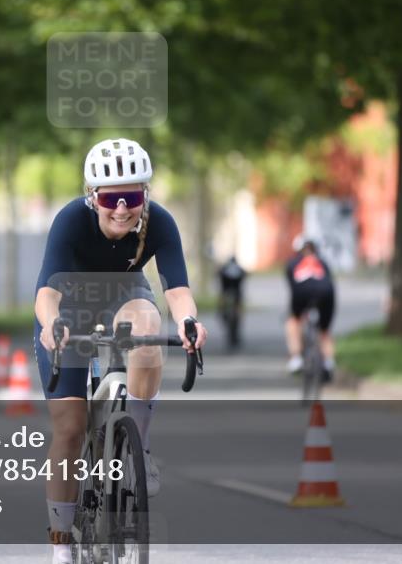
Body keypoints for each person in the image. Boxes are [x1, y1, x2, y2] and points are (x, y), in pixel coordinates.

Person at [33, 137, 207, 563]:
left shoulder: (159, 222)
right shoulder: (71, 220)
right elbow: (45, 293)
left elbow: (178, 289)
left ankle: (139, 450)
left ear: (145, 194)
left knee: (149, 328)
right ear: (93, 197)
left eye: (133, 195)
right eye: (112, 197)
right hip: (70, 305)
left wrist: (189, 322)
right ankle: (60, 542)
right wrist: (51, 326)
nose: (123, 208)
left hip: (126, 296)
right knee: (71, 430)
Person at [284, 235, 337, 379]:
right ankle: (328, 361)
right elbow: (330, 281)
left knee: (293, 322)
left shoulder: (293, 263)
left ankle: (296, 359)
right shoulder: (322, 263)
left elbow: (292, 286)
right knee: (324, 330)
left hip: (301, 292)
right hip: (326, 293)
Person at [218, 256, 246, 350]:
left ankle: (224, 315)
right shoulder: (239, 269)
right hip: (234, 294)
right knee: (236, 310)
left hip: (227, 293)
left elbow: (219, 275)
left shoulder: (224, 269)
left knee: (224, 309)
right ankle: (229, 315)